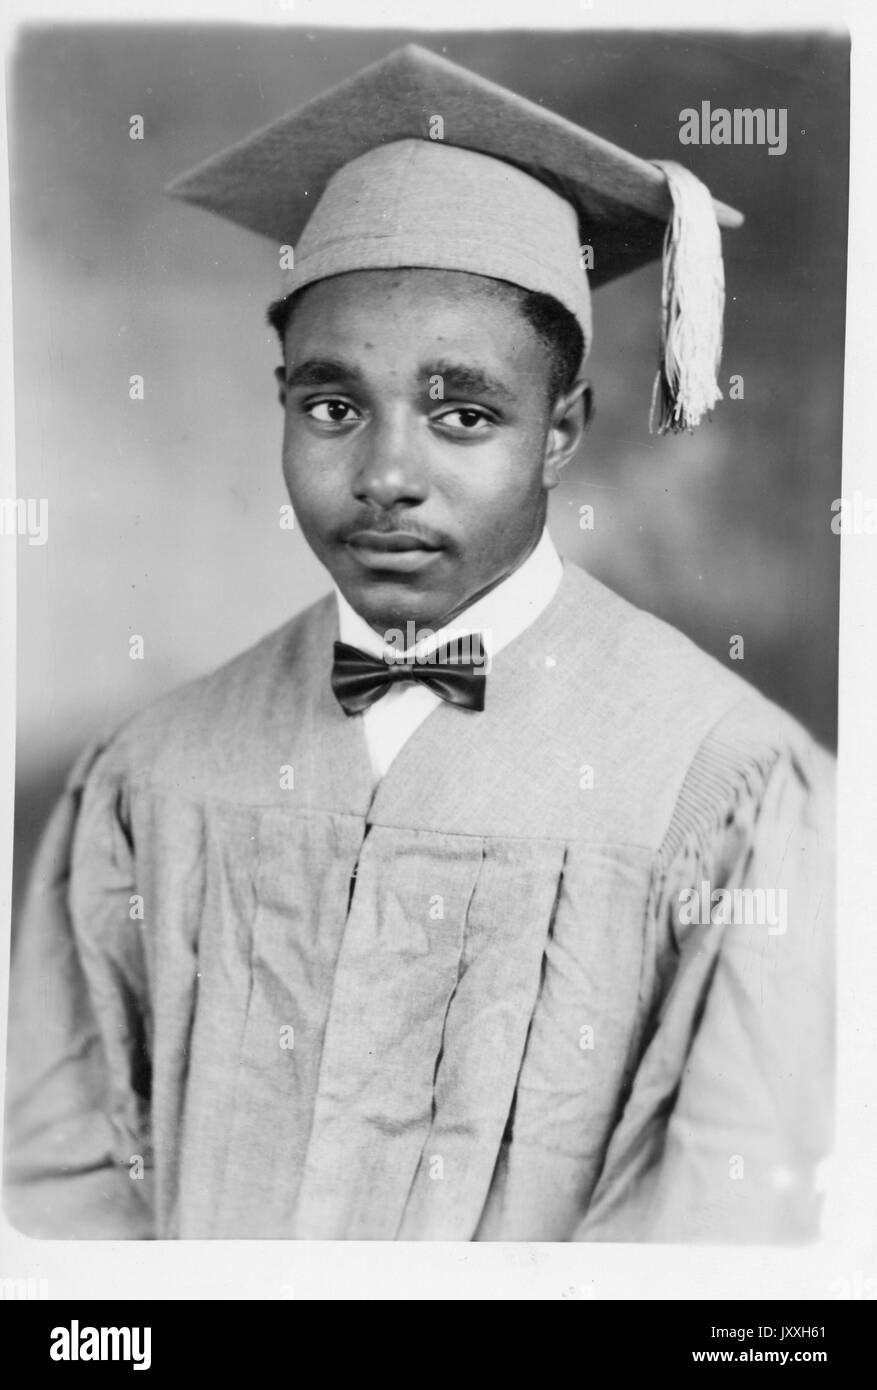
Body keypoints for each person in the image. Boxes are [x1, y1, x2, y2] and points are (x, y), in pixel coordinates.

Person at [4, 44, 833, 1242]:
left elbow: (720, 1229)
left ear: (561, 431)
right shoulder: (154, 774)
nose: (386, 476)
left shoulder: (727, 786)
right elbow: (60, 1197)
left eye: (464, 414)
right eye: (332, 408)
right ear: (281, 401)